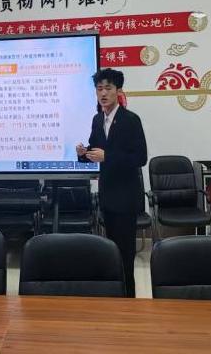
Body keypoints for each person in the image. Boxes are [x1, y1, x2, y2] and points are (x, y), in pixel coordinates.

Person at [77, 68, 147, 298]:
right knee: (112, 253)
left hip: (125, 198)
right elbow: (95, 150)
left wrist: (108, 157)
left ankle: (128, 300)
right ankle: (114, 297)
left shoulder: (130, 120)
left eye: (108, 88)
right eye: (99, 89)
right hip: (107, 195)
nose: (103, 93)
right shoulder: (98, 119)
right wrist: (83, 153)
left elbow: (140, 158)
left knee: (125, 255)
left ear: (118, 91)